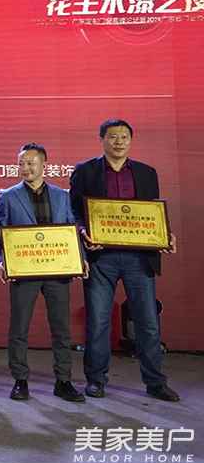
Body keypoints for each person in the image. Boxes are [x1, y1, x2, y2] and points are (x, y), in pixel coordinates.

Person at [69, 119, 179, 402]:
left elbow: (151, 214)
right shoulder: (85, 171)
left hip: (138, 258)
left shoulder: (146, 173)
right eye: (113, 136)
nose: (118, 141)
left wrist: (163, 236)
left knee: (148, 322)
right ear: (102, 139)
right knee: (98, 322)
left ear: (131, 140)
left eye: (124, 137)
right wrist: (82, 231)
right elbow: (74, 212)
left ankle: (155, 382)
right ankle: (96, 380)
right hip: (101, 257)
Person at [0, 143, 85, 402]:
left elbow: (72, 231)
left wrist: (80, 258)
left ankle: (63, 381)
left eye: (31, 163)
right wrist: (2, 261)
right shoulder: (8, 196)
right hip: (24, 272)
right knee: (19, 328)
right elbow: (1, 235)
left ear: (44, 165)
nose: (25, 168)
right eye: (21, 164)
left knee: (61, 329)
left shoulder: (62, 196)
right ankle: (20, 380)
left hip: (57, 271)